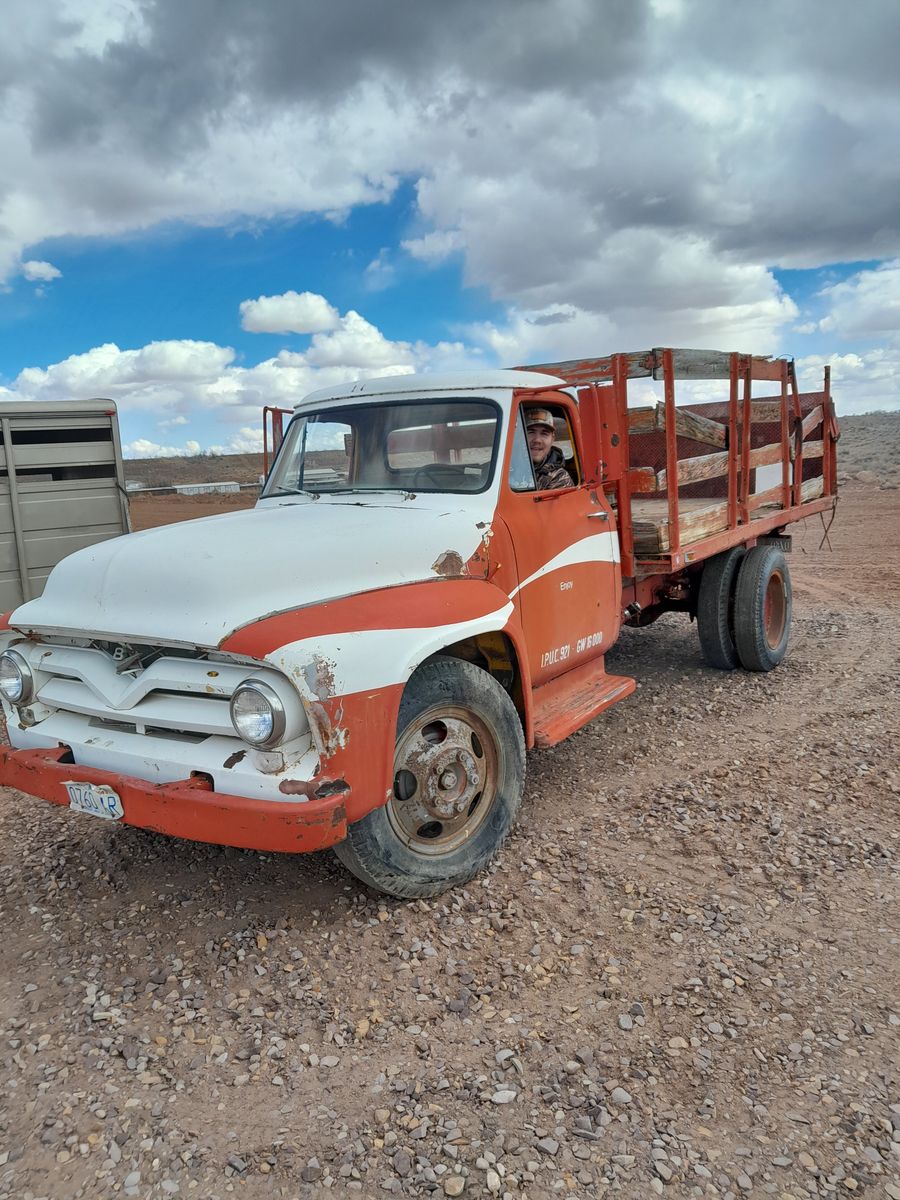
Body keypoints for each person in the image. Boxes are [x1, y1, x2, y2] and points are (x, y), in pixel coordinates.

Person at [526, 408, 574, 490]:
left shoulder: (560, 478)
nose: (537, 440)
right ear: (520, 436)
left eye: (544, 433)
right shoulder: (504, 466)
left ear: (552, 439)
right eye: (531, 432)